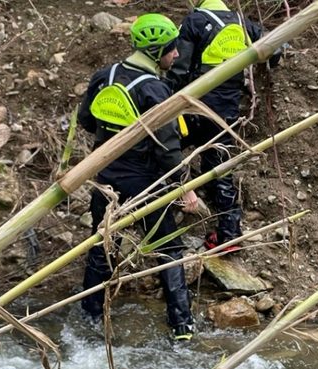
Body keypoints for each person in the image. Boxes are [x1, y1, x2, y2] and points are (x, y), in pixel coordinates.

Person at [78, 13, 199, 341]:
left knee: (102, 245)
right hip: (146, 182)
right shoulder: (154, 90)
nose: (176, 55)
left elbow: (87, 120)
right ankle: (182, 328)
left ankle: (89, 317)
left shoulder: (106, 75)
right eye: (172, 49)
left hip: (103, 177)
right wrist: (184, 190)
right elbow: (168, 148)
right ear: (158, 50)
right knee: (168, 250)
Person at [167, 0, 262, 251]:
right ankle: (229, 235)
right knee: (220, 170)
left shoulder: (195, 21)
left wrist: (166, 99)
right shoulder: (244, 24)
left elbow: (179, 67)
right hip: (226, 113)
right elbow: (273, 51)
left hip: (194, 107)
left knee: (165, 153)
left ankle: (161, 217)